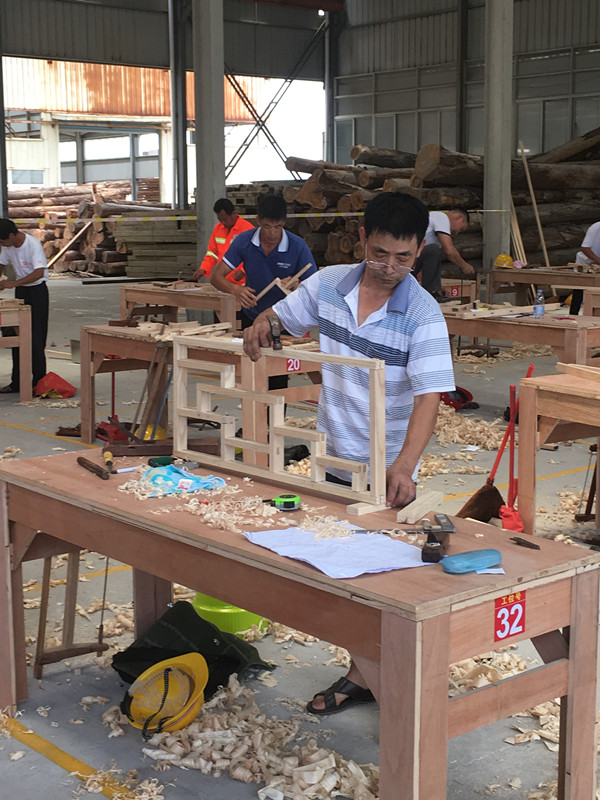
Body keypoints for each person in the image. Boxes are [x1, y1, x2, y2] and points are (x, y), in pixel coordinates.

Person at [244, 193, 455, 714]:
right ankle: (370, 673)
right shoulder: (330, 284)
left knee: (385, 578)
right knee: (340, 567)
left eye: (403, 258)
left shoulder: (423, 314)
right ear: (362, 239)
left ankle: (376, 680)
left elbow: (429, 397)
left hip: (387, 464)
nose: (389, 267)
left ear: (419, 250)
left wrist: (404, 465)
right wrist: (265, 321)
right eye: (380, 253)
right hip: (334, 454)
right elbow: (284, 316)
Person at [210, 193, 316, 325]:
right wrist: (236, 290)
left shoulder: (297, 246)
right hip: (252, 316)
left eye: (278, 226)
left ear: (284, 222)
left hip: (285, 319)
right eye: (267, 226)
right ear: (258, 220)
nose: (273, 233)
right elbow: (216, 277)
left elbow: (314, 288)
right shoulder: (244, 241)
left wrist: (297, 287)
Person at [0, 219, 49, 393]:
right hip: (21, 291)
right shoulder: (8, 245)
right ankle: (17, 382)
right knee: (16, 335)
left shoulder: (32, 245)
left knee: (35, 338)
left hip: (37, 291)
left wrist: (12, 284)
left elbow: (39, 272)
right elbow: (1, 264)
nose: (3, 245)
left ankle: (39, 383)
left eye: (3, 241)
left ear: (12, 235)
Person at [412, 208, 476, 299]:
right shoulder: (442, 217)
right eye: (461, 229)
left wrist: (438, 286)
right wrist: (464, 266)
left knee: (433, 251)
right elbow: (449, 251)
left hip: (410, 262)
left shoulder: (434, 234)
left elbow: (430, 264)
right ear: (459, 218)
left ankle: (433, 290)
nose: (457, 233)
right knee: (433, 250)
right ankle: (432, 292)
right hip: (408, 259)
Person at [192, 197, 254, 285]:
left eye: (225, 219)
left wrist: (243, 271)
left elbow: (254, 256)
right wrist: (204, 269)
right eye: (220, 220)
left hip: (243, 283)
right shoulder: (218, 229)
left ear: (233, 213)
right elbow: (212, 253)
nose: (223, 223)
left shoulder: (248, 230)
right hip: (224, 283)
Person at [569, 220, 600, 315]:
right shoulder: (596, 228)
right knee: (579, 290)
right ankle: (573, 315)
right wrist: (598, 261)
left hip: (597, 264)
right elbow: (585, 248)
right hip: (585, 262)